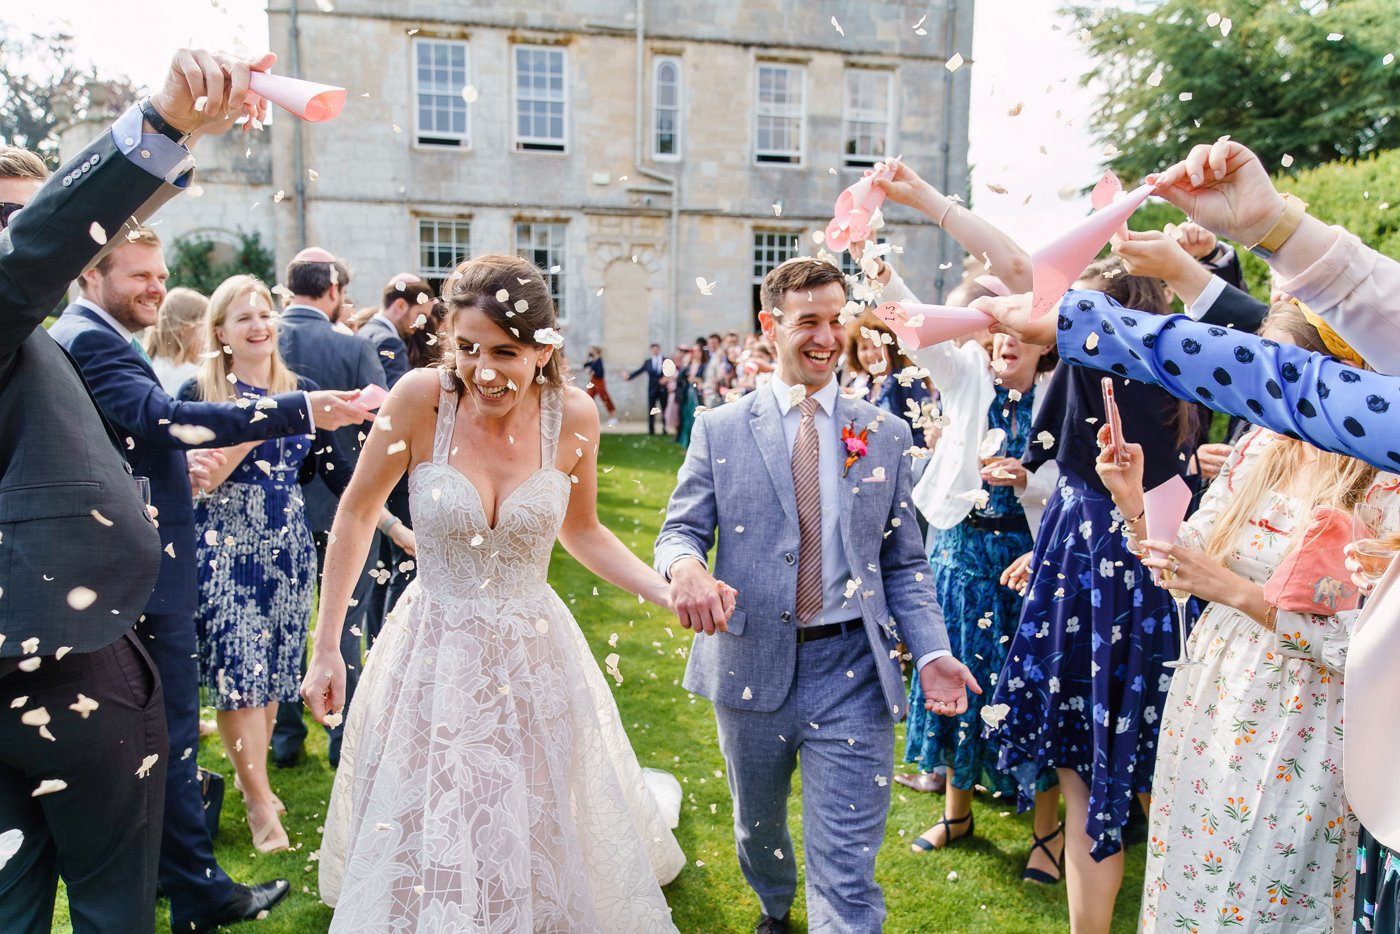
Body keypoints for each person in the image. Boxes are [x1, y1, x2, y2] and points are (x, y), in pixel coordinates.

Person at [38, 49, 373, 934]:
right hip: (160, 566)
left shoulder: (89, 328)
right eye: (139, 277)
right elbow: (162, 420)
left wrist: (183, 150)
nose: (157, 290)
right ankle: (192, 887)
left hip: (156, 559)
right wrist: (299, 408)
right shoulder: (93, 335)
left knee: (170, 737)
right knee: (173, 735)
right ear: (92, 274)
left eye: (159, 275)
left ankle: (192, 885)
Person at [303, 253, 706, 930]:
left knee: (535, 811)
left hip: (534, 654)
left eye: (507, 352)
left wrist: (663, 590)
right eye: (468, 349)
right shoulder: (418, 400)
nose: (485, 371)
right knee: (436, 814)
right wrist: (327, 648)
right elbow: (356, 513)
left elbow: (584, 532)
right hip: (433, 650)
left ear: (544, 350)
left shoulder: (574, 416)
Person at [656, 256, 979, 934]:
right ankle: (774, 907)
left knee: (847, 869)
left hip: (854, 670)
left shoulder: (885, 435)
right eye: (809, 321)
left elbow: (905, 566)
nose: (828, 337)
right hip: (749, 664)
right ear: (771, 326)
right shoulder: (719, 428)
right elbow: (681, 528)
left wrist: (932, 652)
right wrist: (684, 567)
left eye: (837, 320)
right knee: (758, 827)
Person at [1092, 301, 1374, 932]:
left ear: (1330, 369)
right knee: (1191, 887)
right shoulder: (1262, 447)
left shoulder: (1378, 478)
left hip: (1301, 717)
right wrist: (1134, 501)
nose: (1259, 374)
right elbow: (1183, 559)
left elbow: (1369, 642)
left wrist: (1237, 593)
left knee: (1265, 901)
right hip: (1212, 700)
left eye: (1278, 361)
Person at [972, 259, 1194, 934]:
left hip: (1098, 573)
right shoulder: (1179, 368)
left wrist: (1046, 537)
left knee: (1095, 779)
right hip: (1155, 572)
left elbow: (1060, 469)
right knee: (1161, 777)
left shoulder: (1089, 360)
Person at [0, 114, 172, 934]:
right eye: (10, 218)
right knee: (106, 905)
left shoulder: (34, 340)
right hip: (61, 661)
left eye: (31, 214)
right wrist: (163, 126)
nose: (29, 234)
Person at [178, 275, 414, 855]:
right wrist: (270, 418)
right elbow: (197, 482)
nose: (260, 325)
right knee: (239, 682)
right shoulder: (198, 392)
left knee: (269, 683)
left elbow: (339, 476)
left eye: (265, 314)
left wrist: (395, 528)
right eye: (244, 318)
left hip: (286, 552)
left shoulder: (301, 387)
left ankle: (249, 772)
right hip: (226, 550)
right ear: (221, 333)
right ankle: (259, 802)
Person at [271, 247, 388, 769]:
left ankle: (285, 740)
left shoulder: (262, 337)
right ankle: (343, 738)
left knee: (285, 623)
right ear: (335, 290)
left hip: (280, 505)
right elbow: (383, 420)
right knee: (348, 623)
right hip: (349, 499)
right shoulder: (353, 344)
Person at [359, 274, 436, 637]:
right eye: (421, 313)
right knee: (402, 563)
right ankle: (391, 641)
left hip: (369, 464)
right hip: (396, 466)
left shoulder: (365, 334)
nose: (422, 323)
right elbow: (398, 412)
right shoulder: (387, 339)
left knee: (381, 569)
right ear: (402, 306)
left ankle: (376, 642)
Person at [359, 273, 432, 389]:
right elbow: (396, 397)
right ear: (401, 305)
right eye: (420, 315)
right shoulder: (391, 342)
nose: (422, 326)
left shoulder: (364, 330)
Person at [145, 286, 208, 394]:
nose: (209, 338)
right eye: (206, 329)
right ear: (185, 329)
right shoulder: (195, 377)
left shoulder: (147, 366)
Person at [626, 342, 670, 435]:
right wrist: (629, 376)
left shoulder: (665, 360)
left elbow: (671, 372)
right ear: (651, 351)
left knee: (665, 409)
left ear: (659, 349)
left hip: (663, 389)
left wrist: (667, 378)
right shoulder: (648, 362)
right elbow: (639, 371)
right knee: (652, 410)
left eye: (656, 349)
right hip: (652, 389)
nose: (655, 351)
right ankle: (651, 430)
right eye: (653, 349)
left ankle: (665, 429)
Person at [583, 344, 619, 426]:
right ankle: (586, 417)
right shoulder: (593, 360)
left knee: (605, 398)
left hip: (599, 381)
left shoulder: (599, 361)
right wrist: (586, 355)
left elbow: (600, 373)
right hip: (593, 381)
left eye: (591, 350)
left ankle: (613, 417)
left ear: (595, 351)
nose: (590, 351)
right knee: (588, 398)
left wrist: (592, 371)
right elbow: (585, 365)